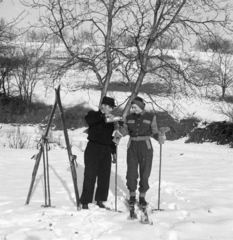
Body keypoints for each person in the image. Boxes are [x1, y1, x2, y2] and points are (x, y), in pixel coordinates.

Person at [115, 96, 167, 207]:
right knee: (131, 173)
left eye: (135, 107)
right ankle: (132, 196)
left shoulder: (151, 117)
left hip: (146, 147)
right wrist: (119, 134)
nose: (133, 109)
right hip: (132, 146)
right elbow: (125, 130)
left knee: (145, 173)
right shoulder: (129, 117)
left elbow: (154, 131)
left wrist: (160, 137)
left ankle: (142, 196)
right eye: (132, 107)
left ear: (141, 106)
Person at [80, 96, 117, 210]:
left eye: (112, 108)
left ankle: (100, 200)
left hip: (106, 149)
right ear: (103, 106)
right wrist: (103, 116)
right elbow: (89, 120)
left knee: (104, 175)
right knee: (90, 175)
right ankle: (85, 201)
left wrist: (113, 151)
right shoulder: (93, 115)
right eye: (109, 107)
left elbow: (111, 137)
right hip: (93, 147)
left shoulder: (111, 120)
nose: (111, 110)